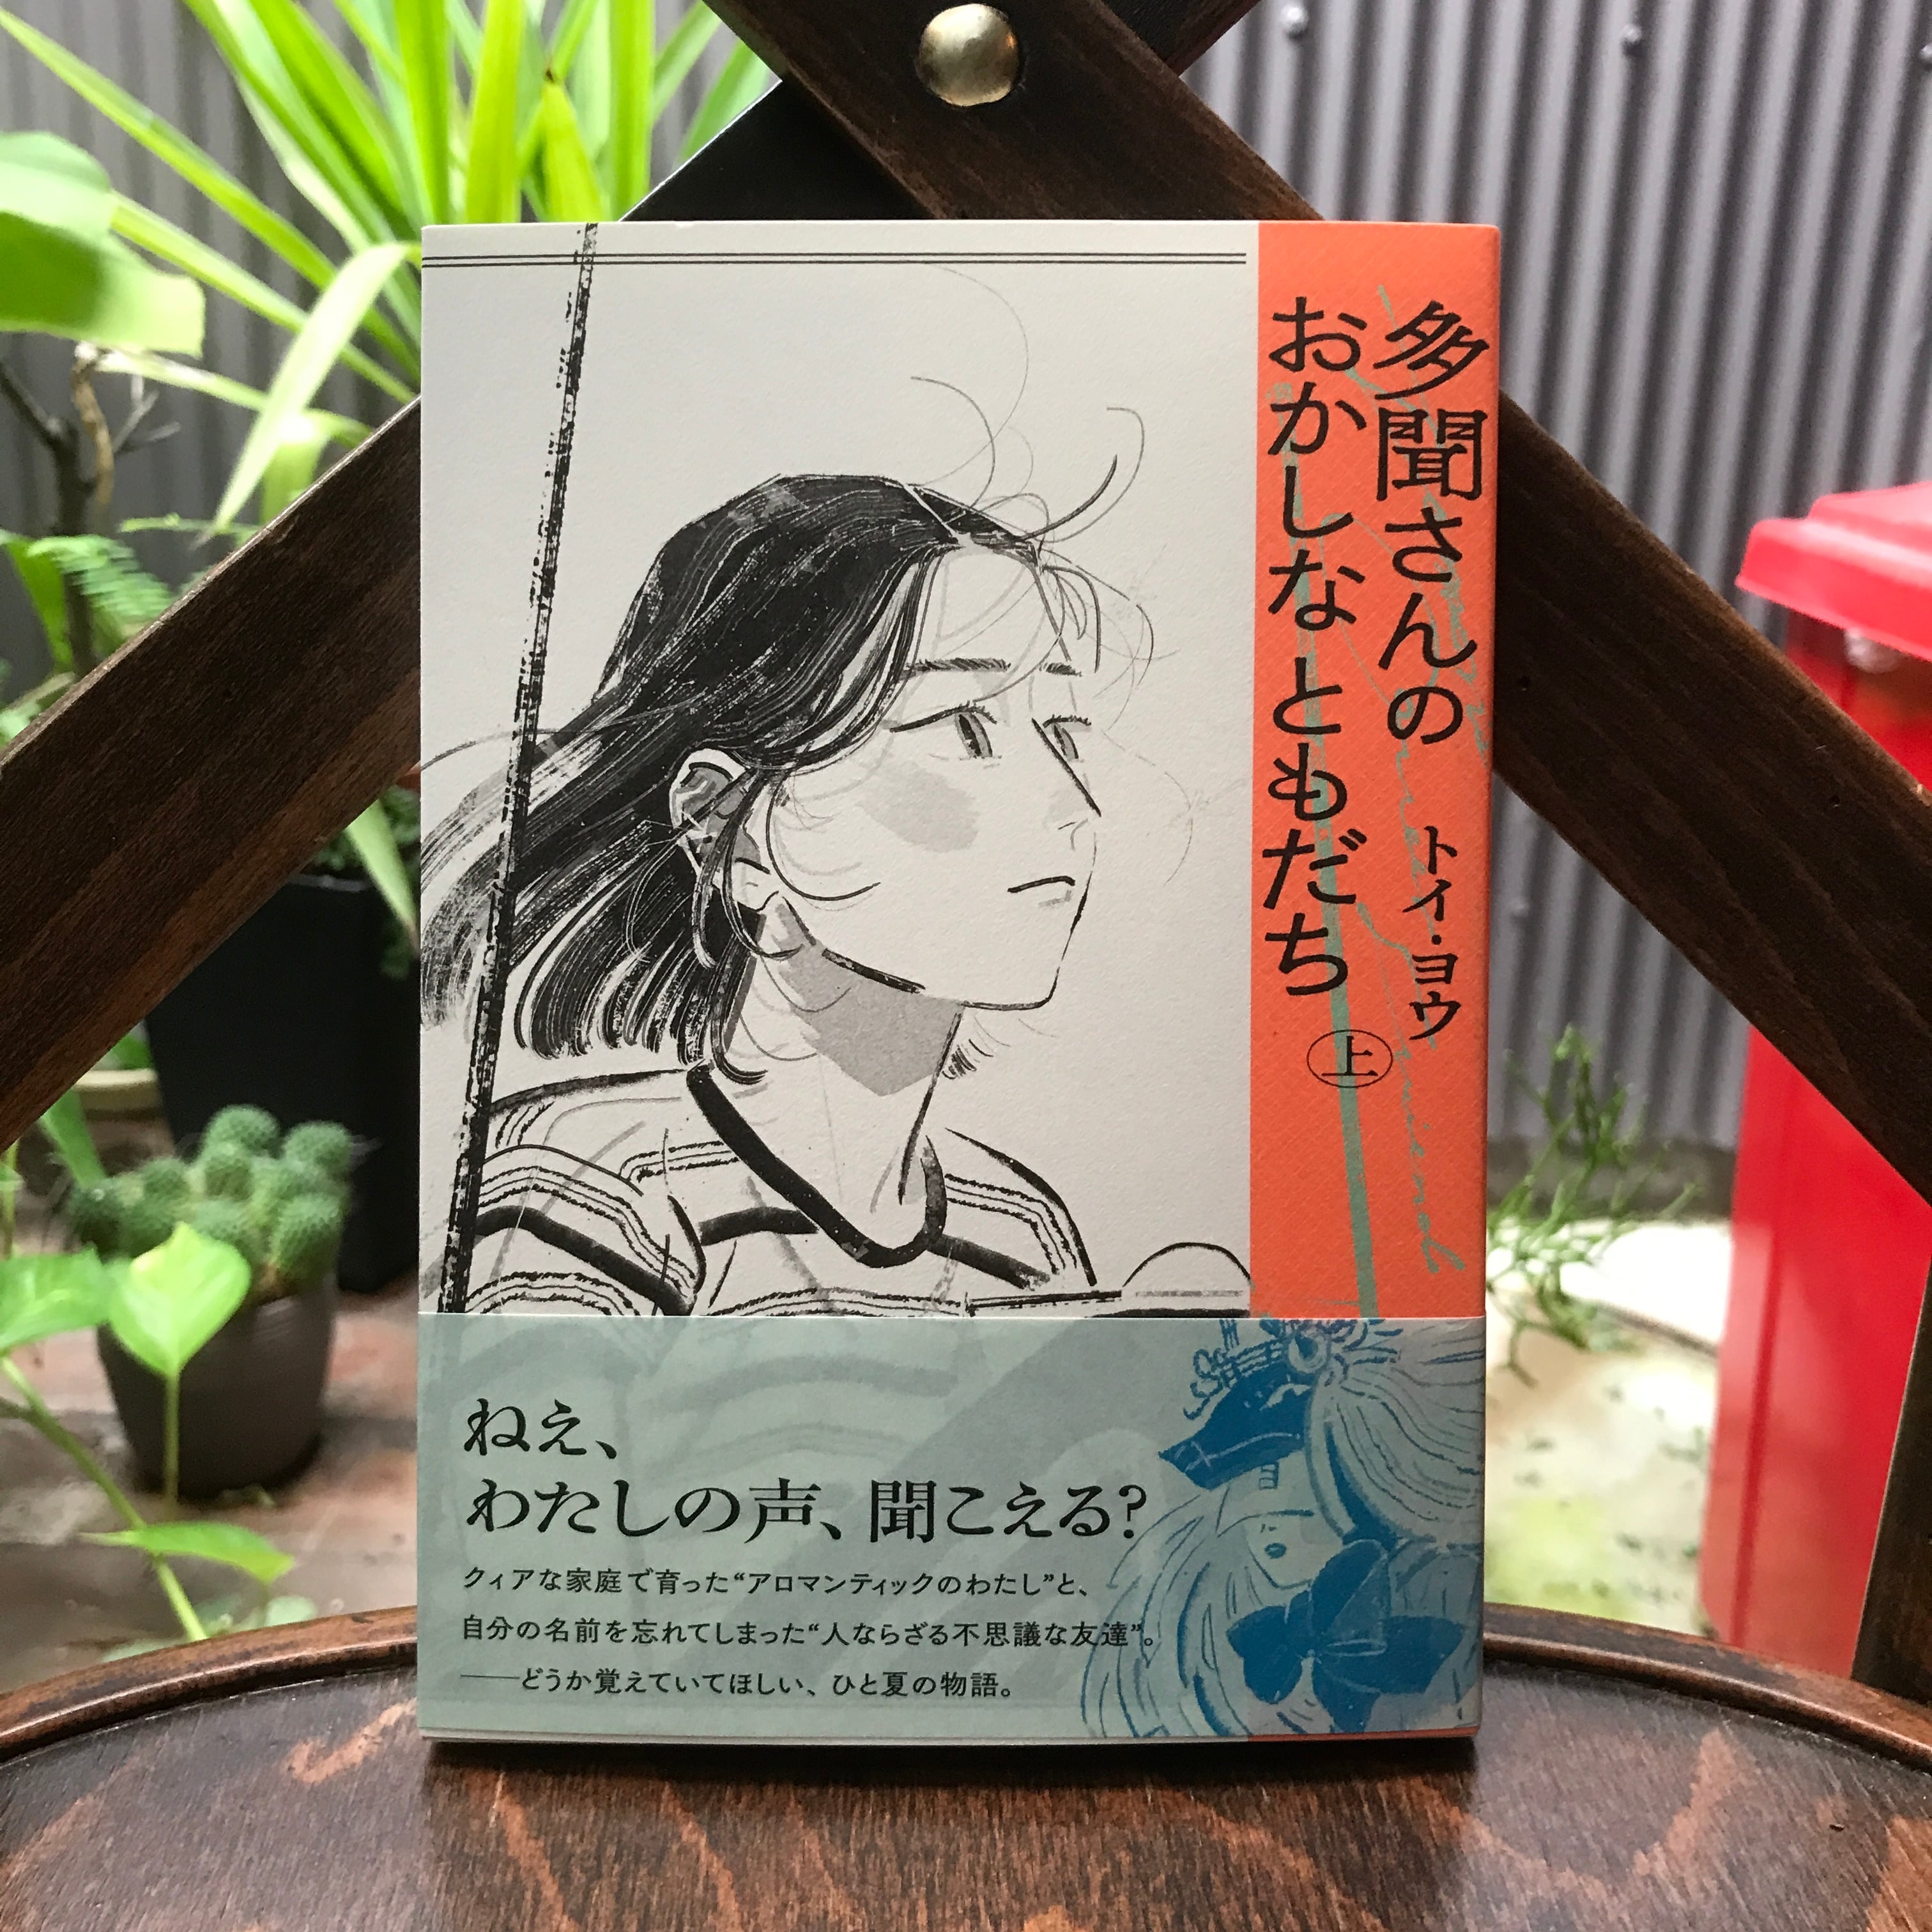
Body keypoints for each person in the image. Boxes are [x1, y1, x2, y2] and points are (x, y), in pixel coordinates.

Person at [424, 473, 1146, 1317]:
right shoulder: (583, 1188)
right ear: (725, 821)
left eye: (1065, 732)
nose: (1071, 802)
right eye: (964, 726)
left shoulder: (1023, 1230)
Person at [1082, 1319, 1483, 1736]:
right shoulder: (1202, 1606)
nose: (1269, 1532)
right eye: (1255, 1514)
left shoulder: (1432, 1586)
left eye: (1301, 1513)